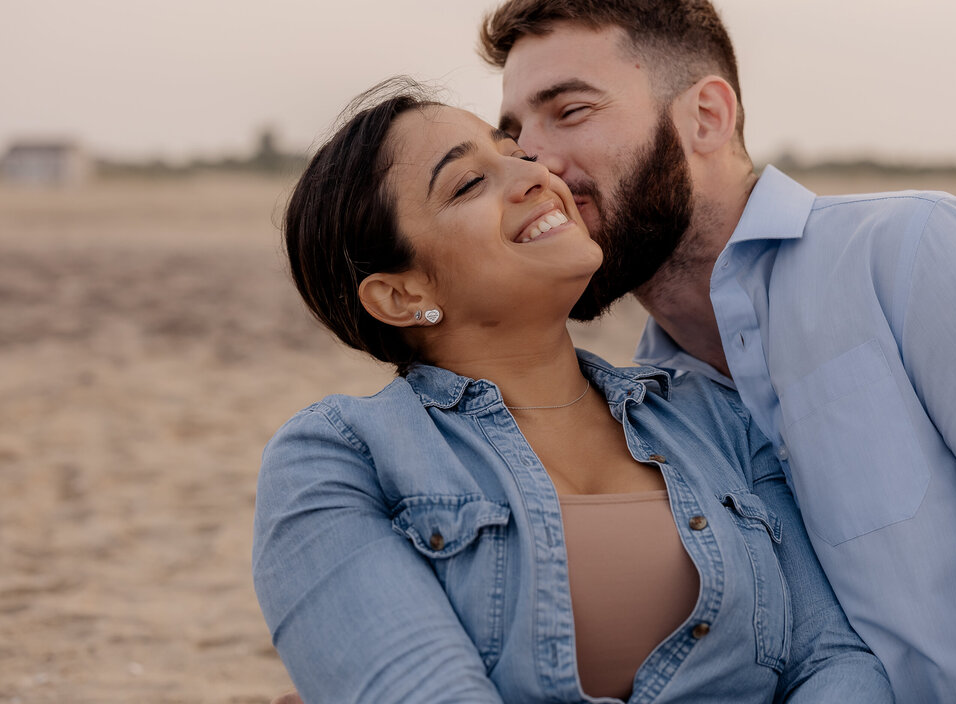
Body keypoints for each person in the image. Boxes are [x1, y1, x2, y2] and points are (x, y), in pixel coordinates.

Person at [481, 0, 956, 703]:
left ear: (706, 116)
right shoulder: (653, 409)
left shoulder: (917, 254)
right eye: (511, 134)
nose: (528, 159)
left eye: (568, 111)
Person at [252, 80, 894, 703]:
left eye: (518, 156)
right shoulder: (341, 457)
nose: (536, 174)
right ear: (402, 294)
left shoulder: (714, 415)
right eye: (470, 183)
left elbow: (834, 662)